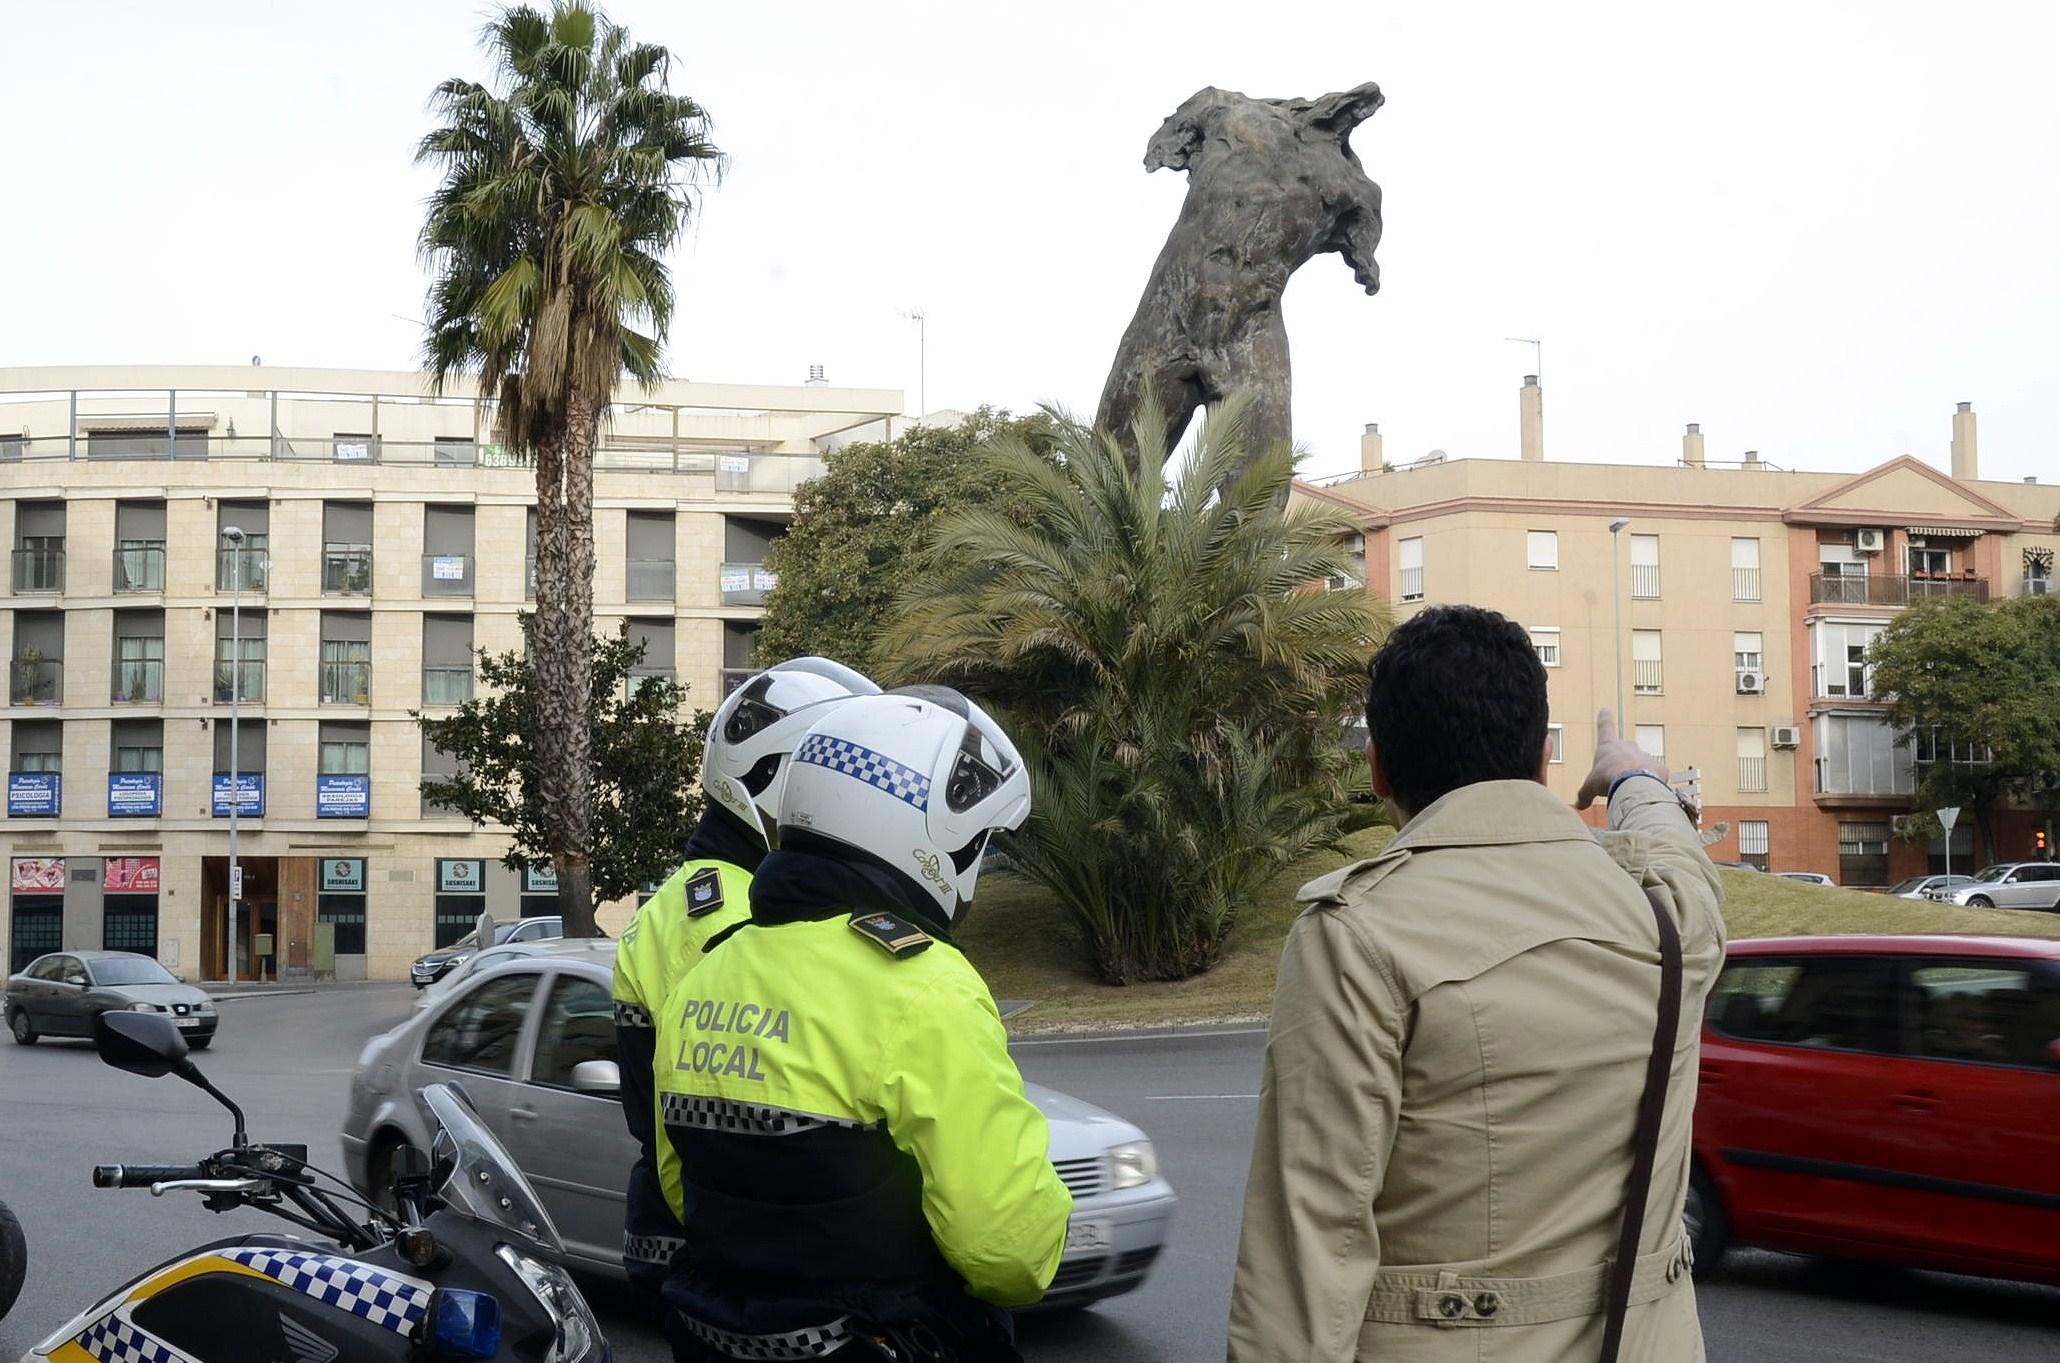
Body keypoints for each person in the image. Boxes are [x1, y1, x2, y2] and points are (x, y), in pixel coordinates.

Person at [1227, 604, 1725, 1363]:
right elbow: (1675, 847)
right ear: (1540, 761)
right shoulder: (1668, 918)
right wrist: (1629, 774)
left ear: (1379, 770)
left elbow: (1308, 1250)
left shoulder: (1360, 934)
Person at [654, 686, 1072, 1362]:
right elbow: (1005, 1250)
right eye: (977, 846)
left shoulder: (707, 971)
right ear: (924, 831)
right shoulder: (923, 984)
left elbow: (682, 1189)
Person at [613, 657, 879, 1346]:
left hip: (677, 1225)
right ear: (769, 784)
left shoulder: (672, 899)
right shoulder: (741, 911)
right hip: (721, 1240)